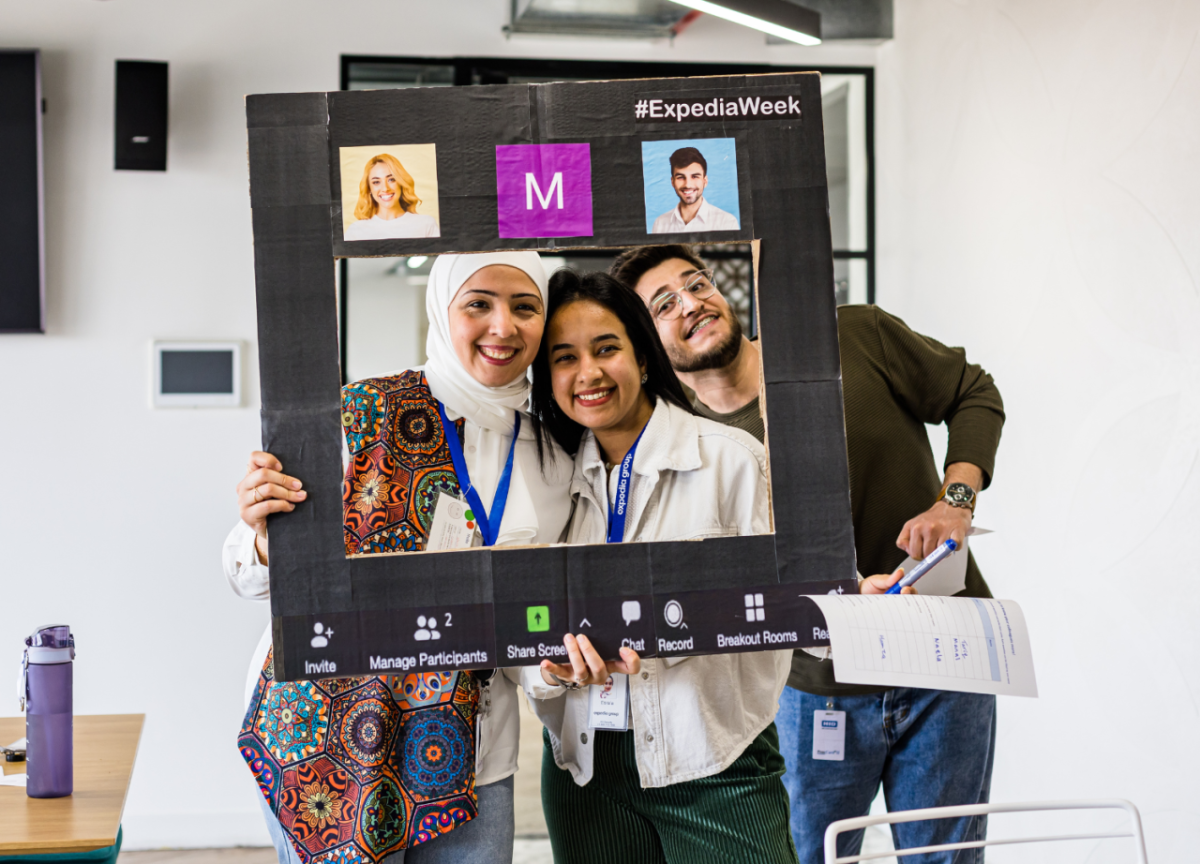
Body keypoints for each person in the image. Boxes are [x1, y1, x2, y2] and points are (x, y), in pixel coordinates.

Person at [612, 244, 1006, 864]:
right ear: (643, 342)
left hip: (945, 661)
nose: (692, 303)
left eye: (697, 283)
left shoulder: (854, 337)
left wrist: (955, 501)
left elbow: (973, 392)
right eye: (664, 304)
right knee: (811, 856)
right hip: (815, 687)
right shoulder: (681, 445)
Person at [519, 269, 910, 864]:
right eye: (564, 358)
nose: (588, 374)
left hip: (714, 760)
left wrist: (851, 606)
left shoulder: (730, 461)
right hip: (586, 774)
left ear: (644, 358)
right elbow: (517, 630)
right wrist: (548, 670)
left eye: (606, 349)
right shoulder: (548, 481)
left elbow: (792, 598)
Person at [224, 252, 572, 864]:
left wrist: (551, 670)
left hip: (467, 752)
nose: (503, 326)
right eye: (478, 304)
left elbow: (531, 617)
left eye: (525, 307)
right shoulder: (361, 412)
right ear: (442, 307)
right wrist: (260, 536)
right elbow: (247, 573)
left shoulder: (554, 452)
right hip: (328, 734)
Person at [344, 153, 440, 240]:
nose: (385, 188)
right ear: (369, 189)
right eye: (376, 182)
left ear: (401, 183)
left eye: (391, 180)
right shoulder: (356, 230)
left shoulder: (426, 224)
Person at [649, 147, 739, 234]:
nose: (688, 185)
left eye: (695, 176)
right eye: (680, 177)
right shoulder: (660, 224)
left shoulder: (727, 223)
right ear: (672, 182)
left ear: (705, 181)